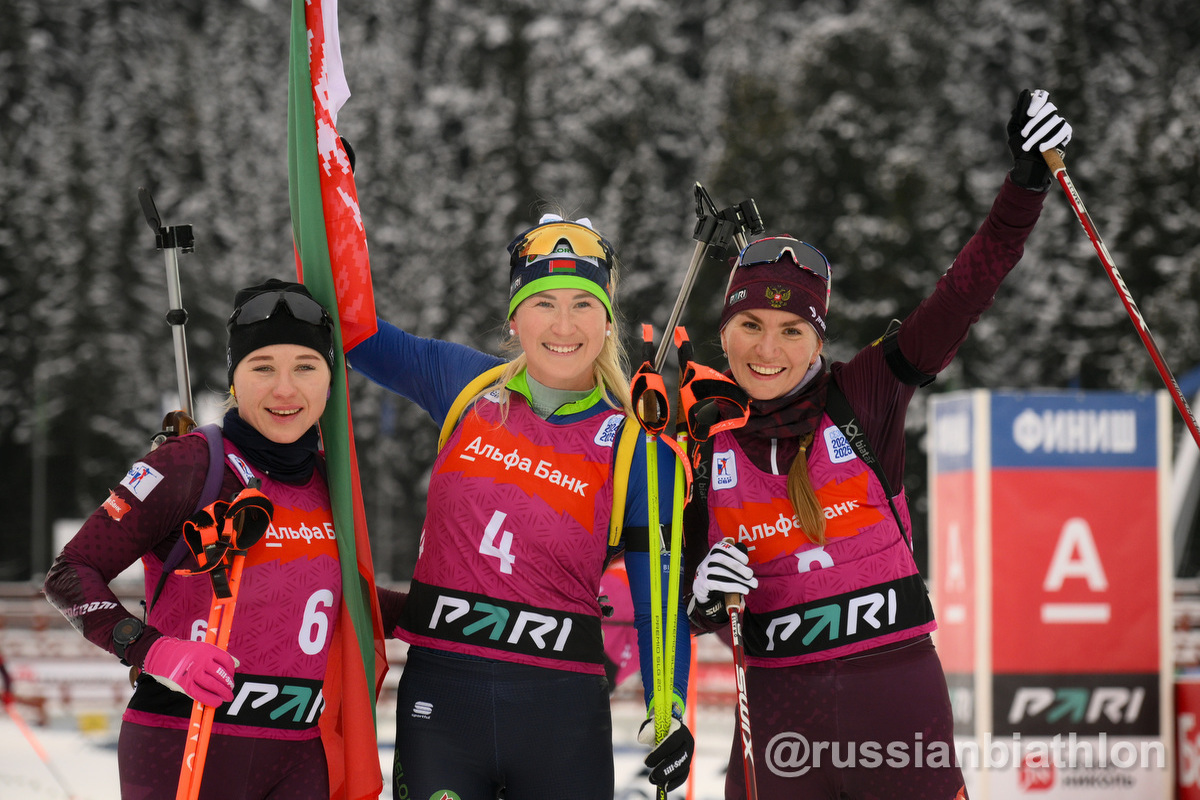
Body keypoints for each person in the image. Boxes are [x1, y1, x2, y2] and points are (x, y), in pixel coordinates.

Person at [684, 89, 1074, 799]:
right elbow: (672, 589)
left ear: (817, 340)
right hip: (777, 720)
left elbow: (960, 297)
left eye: (792, 332)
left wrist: (1025, 184)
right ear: (725, 331)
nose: (767, 350)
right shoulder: (703, 445)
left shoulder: (862, 395)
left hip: (893, 704)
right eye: (750, 328)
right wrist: (702, 598)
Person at [346, 213, 694, 799]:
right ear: (515, 317)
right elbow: (355, 335)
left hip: (561, 719)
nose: (564, 324)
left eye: (583, 305)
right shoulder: (466, 386)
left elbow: (660, 596)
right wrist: (336, 203)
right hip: (443, 706)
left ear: (609, 322)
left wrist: (669, 708)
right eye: (543, 303)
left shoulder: (637, 447)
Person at [42, 279, 406, 800]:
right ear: (234, 380)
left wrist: (450, 613)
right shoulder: (189, 464)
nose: (285, 389)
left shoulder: (332, 481)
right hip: (184, 741)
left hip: (301, 749)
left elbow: (347, 598)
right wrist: (153, 651)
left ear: (331, 383)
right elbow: (70, 573)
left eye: (306, 367)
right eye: (263, 368)